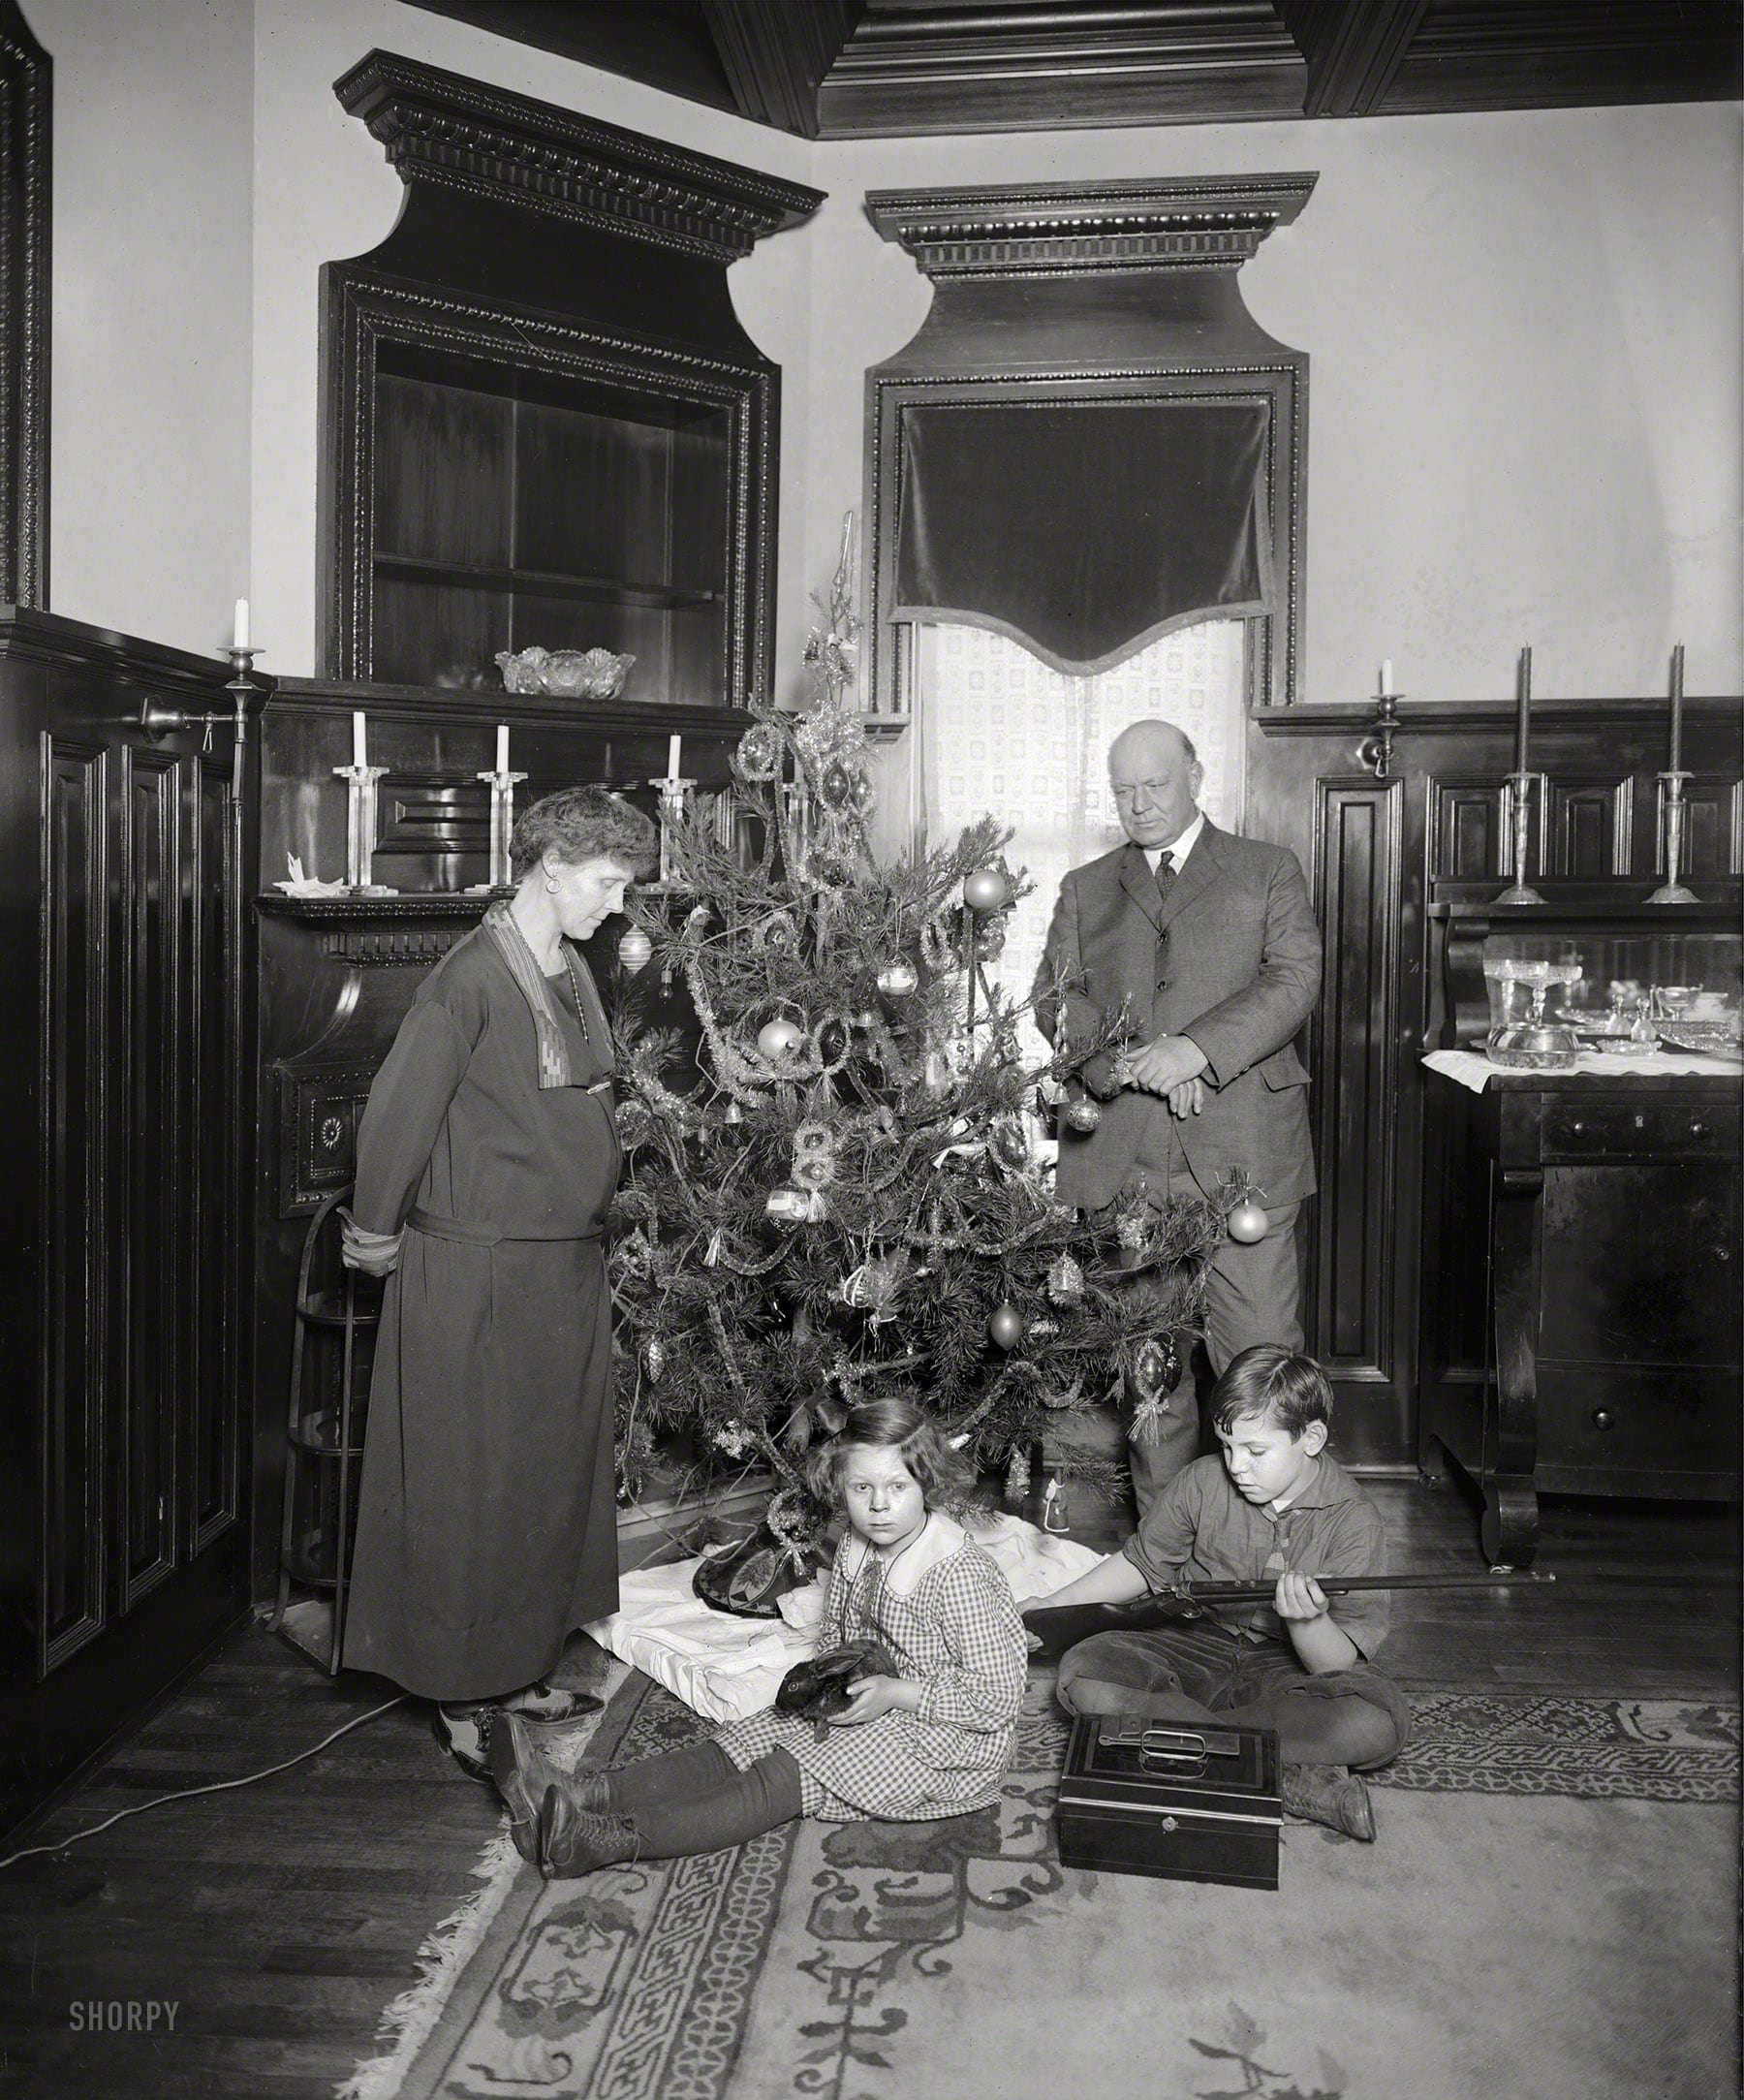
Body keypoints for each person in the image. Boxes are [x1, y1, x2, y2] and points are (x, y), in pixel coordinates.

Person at [339, 785, 659, 1776]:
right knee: (467, 1484)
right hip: (472, 1270)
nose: (618, 904)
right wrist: (376, 1237)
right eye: (608, 883)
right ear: (552, 866)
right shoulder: (470, 978)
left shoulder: (570, 966)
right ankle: (460, 1691)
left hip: (560, 1266)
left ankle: (515, 1660)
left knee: (537, 1478)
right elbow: (397, 1116)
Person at [487, 1394, 1029, 1877]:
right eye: (862, 1487)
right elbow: (838, 1630)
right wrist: (828, 1682)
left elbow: (998, 1698)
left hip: (947, 1734)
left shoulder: (958, 1575)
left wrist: (896, 1695)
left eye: (897, 1487)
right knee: (741, 1742)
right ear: (842, 1486)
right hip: (872, 1695)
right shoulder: (858, 1544)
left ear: (927, 1484)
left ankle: (600, 1842)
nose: (879, 1505)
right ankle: (581, 1793)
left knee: (782, 1773)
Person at [1034, 719, 1322, 1513]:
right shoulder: (1085, 888)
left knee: (1263, 1376)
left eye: (1154, 784)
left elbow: (1295, 981)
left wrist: (1196, 1050)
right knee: (1150, 1385)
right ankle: (1167, 1563)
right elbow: (1053, 1000)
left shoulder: (1267, 870)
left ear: (1195, 773)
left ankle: (1271, 1557)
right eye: (1123, 790)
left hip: (1244, 1166)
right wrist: (1136, 1063)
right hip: (1123, 1166)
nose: (1138, 803)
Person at [1025, 1345, 1409, 1841]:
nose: (1237, 1466)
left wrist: (1308, 1622)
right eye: (1227, 1446)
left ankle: (1184, 1741)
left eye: (1255, 1451)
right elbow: (1140, 1564)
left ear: (1311, 1438)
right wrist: (1051, 1606)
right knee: (1084, 1669)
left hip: (1285, 1667)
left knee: (1376, 1716)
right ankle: (1285, 1773)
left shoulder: (1355, 1520)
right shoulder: (1204, 1481)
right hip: (1191, 1641)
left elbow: (1331, 1668)